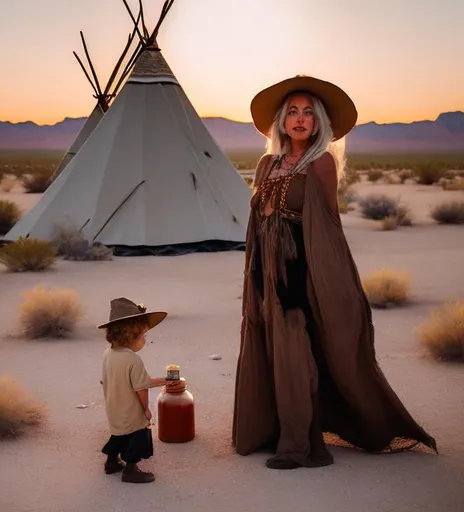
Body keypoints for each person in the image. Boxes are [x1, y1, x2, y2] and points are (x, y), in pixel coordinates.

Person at [232, 75, 437, 470]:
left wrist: (317, 283)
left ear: (319, 122)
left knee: (296, 356)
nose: (300, 119)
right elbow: (257, 224)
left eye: (309, 112)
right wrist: (256, 275)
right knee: (271, 351)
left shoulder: (321, 163)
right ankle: (272, 431)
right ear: (281, 120)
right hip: (264, 274)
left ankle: (301, 446)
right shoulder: (266, 164)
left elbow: (327, 226)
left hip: (300, 274)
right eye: (292, 111)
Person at [98, 297, 181, 483]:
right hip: (131, 411)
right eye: (143, 336)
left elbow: (105, 381)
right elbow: (142, 387)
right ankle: (130, 470)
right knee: (137, 438)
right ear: (131, 336)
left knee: (118, 435)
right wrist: (146, 409)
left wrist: (165, 381)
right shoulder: (133, 360)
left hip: (114, 409)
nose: (145, 340)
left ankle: (111, 462)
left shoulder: (108, 354)